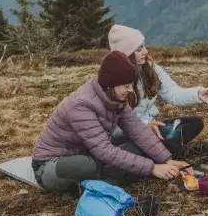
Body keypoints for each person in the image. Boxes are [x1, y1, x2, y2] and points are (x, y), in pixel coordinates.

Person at [31, 50, 191, 194]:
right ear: (110, 85)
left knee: (134, 147)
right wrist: (152, 168)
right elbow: (104, 151)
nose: (130, 90)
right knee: (88, 166)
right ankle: (101, 182)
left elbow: (138, 130)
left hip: (88, 152)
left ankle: (107, 177)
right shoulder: (81, 105)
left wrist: (166, 159)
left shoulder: (116, 97)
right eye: (126, 86)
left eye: (131, 85)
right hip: (50, 165)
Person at [107, 23, 208, 161]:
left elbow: (172, 92)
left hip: (152, 128)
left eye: (144, 46)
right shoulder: (114, 80)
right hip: (127, 134)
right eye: (139, 49)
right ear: (126, 54)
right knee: (135, 147)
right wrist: (146, 126)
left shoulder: (150, 68)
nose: (145, 51)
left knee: (194, 123)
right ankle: (181, 151)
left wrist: (198, 94)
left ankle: (165, 151)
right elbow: (117, 125)